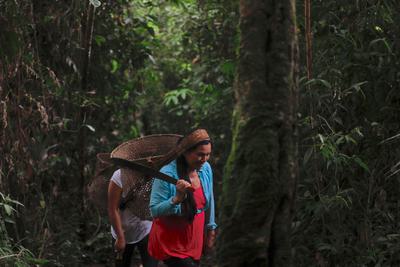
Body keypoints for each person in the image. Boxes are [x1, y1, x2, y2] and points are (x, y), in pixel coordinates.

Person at [148, 129, 218, 267]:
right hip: (171, 244)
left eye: (208, 155)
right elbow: (154, 210)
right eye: (200, 155)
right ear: (186, 152)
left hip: (194, 241)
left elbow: (210, 200)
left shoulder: (205, 169)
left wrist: (211, 230)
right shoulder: (167, 174)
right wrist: (177, 199)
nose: (204, 159)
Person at [108, 169, 158, 267]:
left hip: (146, 229)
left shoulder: (153, 175)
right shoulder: (119, 175)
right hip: (122, 230)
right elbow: (112, 209)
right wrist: (120, 237)